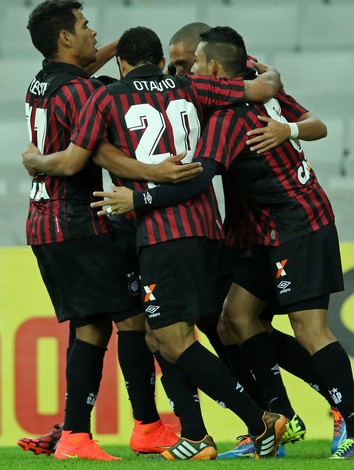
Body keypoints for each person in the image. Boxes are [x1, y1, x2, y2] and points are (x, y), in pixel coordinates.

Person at [91, 26, 354, 460]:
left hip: (297, 224)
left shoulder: (228, 115)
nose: (178, 72)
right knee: (235, 319)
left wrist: (139, 195)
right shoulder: (248, 89)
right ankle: (277, 421)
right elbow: (273, 89)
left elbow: (204, 175)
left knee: (308, 328)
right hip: (256, 231)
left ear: (210, 67)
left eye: (187, 63)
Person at [23, 25, 288, 460]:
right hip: (208, 226)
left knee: (169, 338)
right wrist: (264, 71)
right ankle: (199, 435)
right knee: (167, 335)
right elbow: (260, 90)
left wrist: (35, 159)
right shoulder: (188, 84)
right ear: (160, 60)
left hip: (160, 231)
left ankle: (259, 419)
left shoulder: (106, 98)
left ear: (122, 63)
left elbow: (75, 159)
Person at [15, 0, 200, 461]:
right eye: (84, 26)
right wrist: (154, 175)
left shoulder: (44, 81)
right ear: (64, 37)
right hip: (78, 219)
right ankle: (146, 426)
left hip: (47, 222)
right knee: (134, 318)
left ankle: (76, 434)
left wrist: (124, 41)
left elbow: (80, 74)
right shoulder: (79, 93)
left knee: (91, 326)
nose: (91, 32)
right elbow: (96, 152)